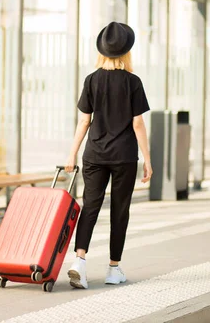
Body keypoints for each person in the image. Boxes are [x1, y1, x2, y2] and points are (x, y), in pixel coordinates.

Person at [64, 21, 152, 289]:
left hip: (94, 154)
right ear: (127, 52)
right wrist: (148, 160)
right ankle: (114, 269)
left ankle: (79, 261)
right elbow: (138, 124)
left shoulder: (91, 80)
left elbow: (83, 122)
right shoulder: (133, 82)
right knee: (119, 211)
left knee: (90, 205)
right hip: (124, 156)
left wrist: (72, 154)